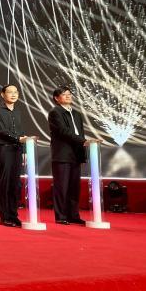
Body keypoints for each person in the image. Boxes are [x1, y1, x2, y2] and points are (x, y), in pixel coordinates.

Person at [48, 86, 87, 225]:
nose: (68, 96)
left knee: (74, 187)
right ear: (56, 98)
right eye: (64, 94)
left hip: (76, 154)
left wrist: (83, 147)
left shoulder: (77, 114)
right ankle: (61, 216)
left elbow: (80, 133)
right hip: (62, 154)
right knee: (62, 187)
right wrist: (83, 141)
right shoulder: (55, 112)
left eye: (69, 94)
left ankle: (73, 215)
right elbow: (63, 131)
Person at [0, 84, 27, 227]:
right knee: (5, 183)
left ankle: (13, 215)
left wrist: (24, 150)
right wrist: (18, 139)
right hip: (4, 150)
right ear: (2, 94)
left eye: (16, 92)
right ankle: (4, 217)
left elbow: (21, 131)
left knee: (15, 184)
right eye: (10, 92)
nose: (13, 94)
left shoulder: (17, 111)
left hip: (17, 150)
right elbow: (0, 130)